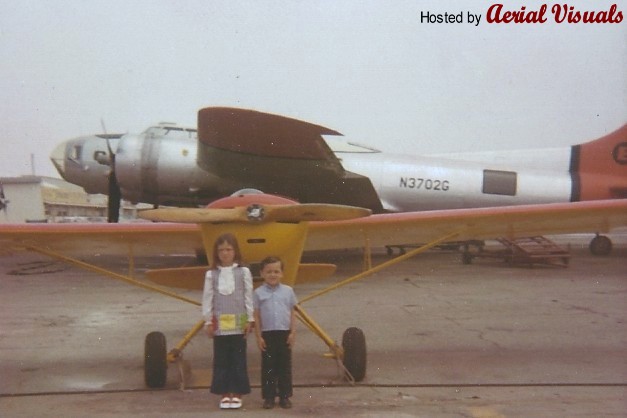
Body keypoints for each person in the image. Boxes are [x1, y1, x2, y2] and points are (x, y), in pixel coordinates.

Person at [201, 233, 254, 410]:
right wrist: (208, 321)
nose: (225, 253)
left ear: (235, 251)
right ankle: (224, 394)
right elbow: (207, 298)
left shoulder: (243, 272)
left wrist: (250, 319)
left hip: (239, 323)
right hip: (220, 325)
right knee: (222, 359)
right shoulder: (211, 274)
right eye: (221, 250)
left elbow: (248, 297)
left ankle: (237, 393)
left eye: (229, 249)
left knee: (238, 359)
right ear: (216, 252)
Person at [253, 256, 298, 409]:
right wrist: (258, 336)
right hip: (268, 334)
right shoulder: (258, 293)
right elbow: (257, 316)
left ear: (282, 273)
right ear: (262, 273)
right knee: (269, 366)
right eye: (269, 271)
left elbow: (292, 312)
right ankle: (269, 397)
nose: (273, 275)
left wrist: (293, 333)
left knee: (285, 366)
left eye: (276, 271)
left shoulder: (288, 291)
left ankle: (285, 396)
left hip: (284, 333)